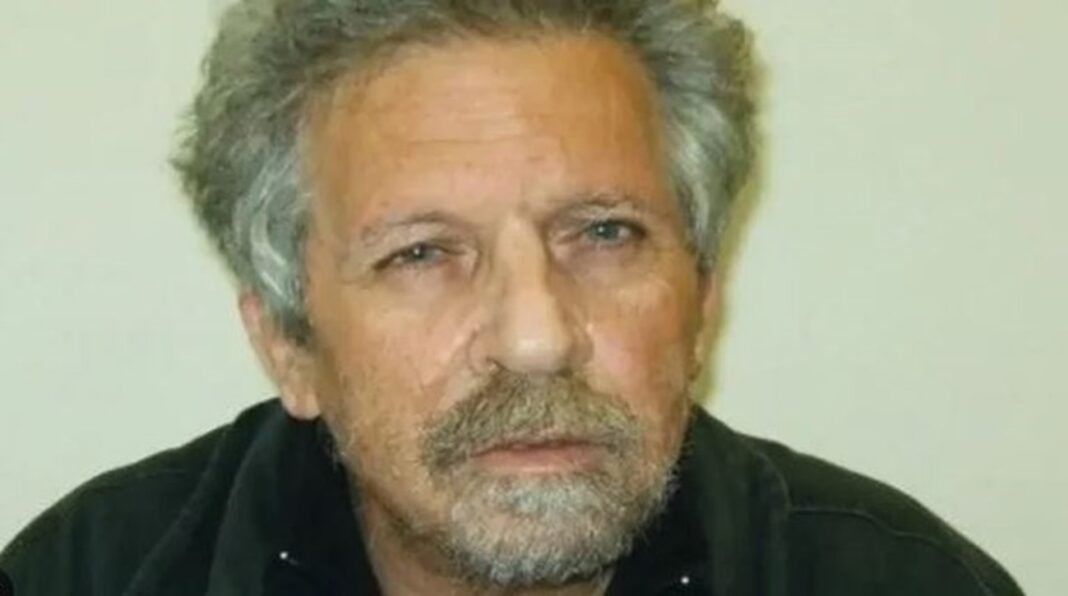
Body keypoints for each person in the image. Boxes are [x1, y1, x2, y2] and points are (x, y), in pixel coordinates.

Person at [0, 1, 1024, 595]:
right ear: (289, 346)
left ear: (702, 300)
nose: (536, 338)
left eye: (605, 233)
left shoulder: (903, 581)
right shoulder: (91, 576)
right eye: (421, 253)